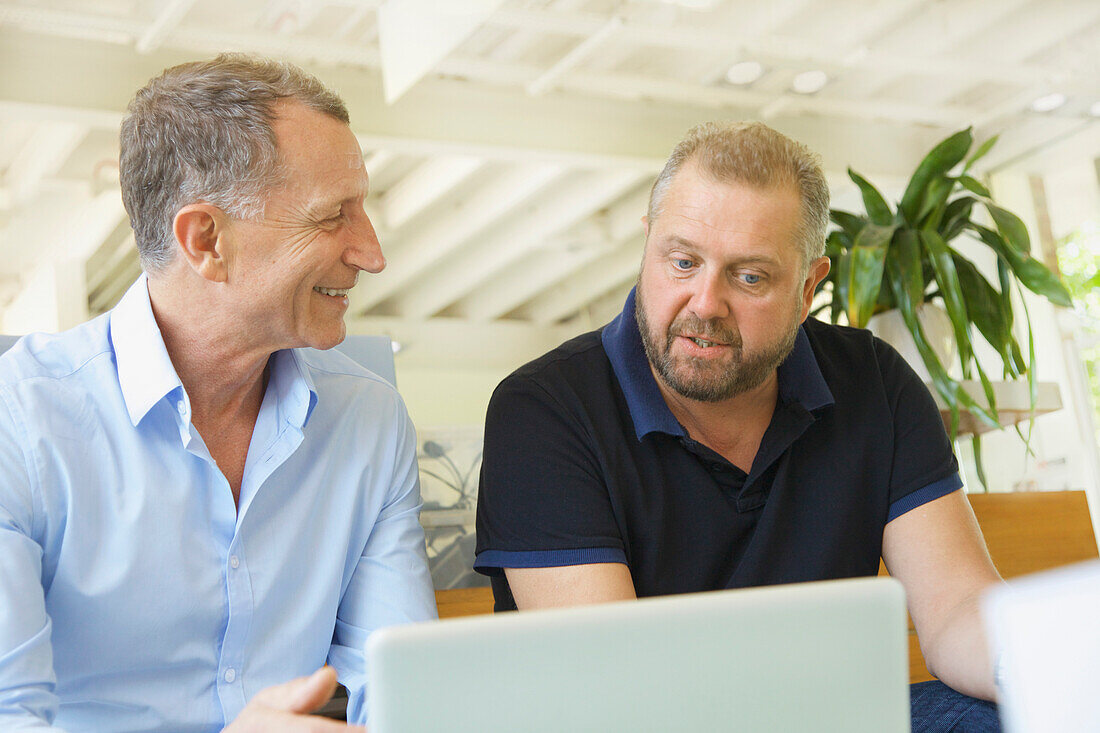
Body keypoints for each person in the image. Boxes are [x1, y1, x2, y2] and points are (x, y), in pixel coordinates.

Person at [474, 121, 1004, 730]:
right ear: (647, 247)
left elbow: (960, 607)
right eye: (681, 261)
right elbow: (613, 691)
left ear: (807, 289)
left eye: (749, 277)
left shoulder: (873, 382)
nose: (705, 302)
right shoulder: (546, 409)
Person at [0, 55, 436, 731]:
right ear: (206, 240)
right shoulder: (19, 422)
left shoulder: (367, 418)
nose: (371, 252)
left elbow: (409, 696)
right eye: (332, 217)